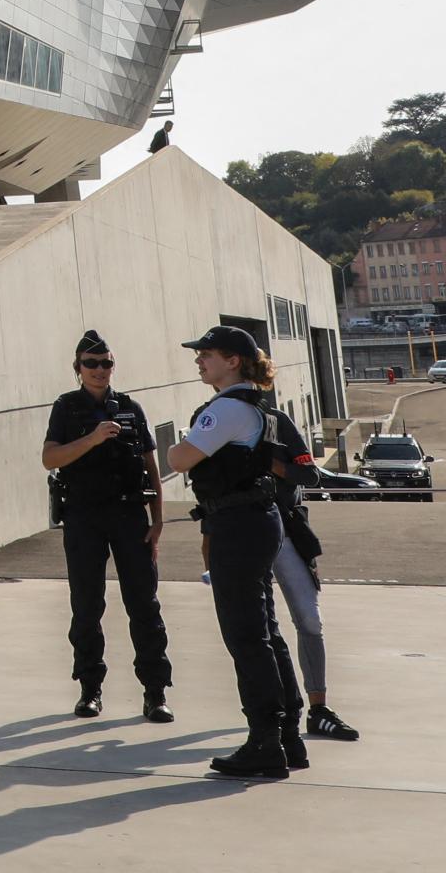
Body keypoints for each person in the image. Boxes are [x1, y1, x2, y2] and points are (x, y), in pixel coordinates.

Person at [166, 324, 300, 779]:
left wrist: (180, 445)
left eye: (208, 354)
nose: (199, 360)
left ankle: (265, 741)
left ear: (233, 361)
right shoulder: (251, 407)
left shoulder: (225, 409)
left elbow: (179, 459)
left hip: (239, 526)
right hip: (254, 520)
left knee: (246, 636)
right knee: (265, 631)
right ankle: (287, 736)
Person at [41, 331, 171, 723]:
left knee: (144, 604)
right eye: (91, 364)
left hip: (130, 515)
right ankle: (90, 688)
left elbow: (151, 466)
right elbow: (50, 458)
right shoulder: (66, 408)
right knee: (86, 605)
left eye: (106, 363)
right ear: (78, 368)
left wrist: (158, 520)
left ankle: (155, 692)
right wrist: (93, 439)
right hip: (84, 517)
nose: (99, 371)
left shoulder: (131, 407)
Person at [263, 398, 359, 745]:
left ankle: (318, 708)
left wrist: (273, 465)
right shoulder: (214, 416)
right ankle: (269, 711)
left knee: (309, 620)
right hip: (239, 533)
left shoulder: (276, 420)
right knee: (256, 627)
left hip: (287, 529)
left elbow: (309, 473)